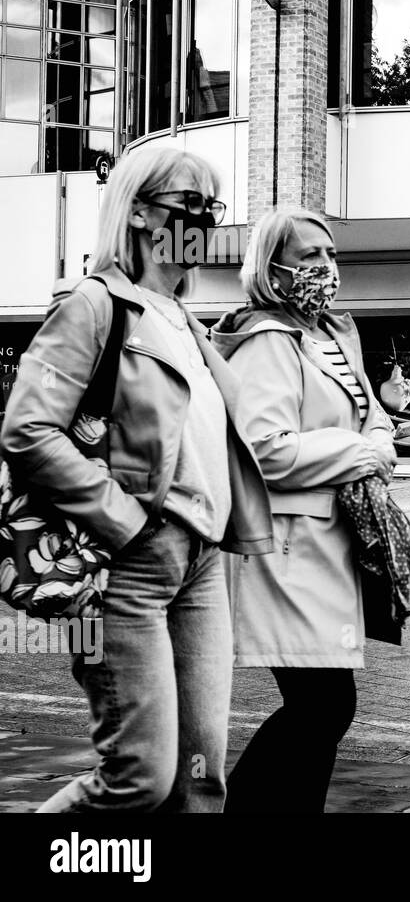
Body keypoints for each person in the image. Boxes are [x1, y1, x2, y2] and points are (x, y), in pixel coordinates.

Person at [0, 147, 274, 812]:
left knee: (201, 779)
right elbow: (27, 430)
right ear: (141, 212)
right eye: (189, 207)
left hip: (203, 563)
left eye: (213, 209)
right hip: (131, 564)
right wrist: (125, 518)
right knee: (139, 778)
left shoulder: (183, 318)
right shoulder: (96, 306)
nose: (204, 222)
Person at [211, 207, 396, 814]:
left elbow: (374, 417)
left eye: (331, 254)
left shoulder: (337, 334)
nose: (325, 267)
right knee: (323, 705)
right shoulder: (265, 338)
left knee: (325, 710)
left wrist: (376, 445)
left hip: (332, 548)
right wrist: (360, 452)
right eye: (309, 255)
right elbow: (266, 450)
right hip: (287, 550)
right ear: (273, 267)